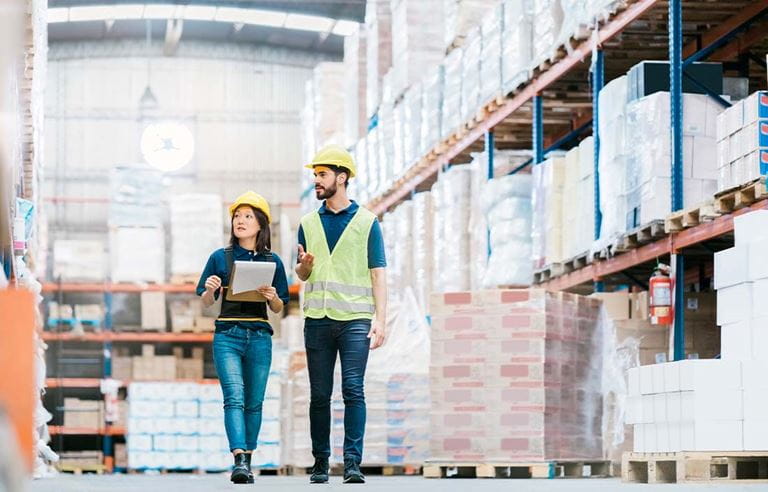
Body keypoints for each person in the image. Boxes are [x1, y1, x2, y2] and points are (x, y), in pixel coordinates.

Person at [296, 145, 388, 484]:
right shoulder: (307, 223)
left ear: (342, 177)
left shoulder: (367, 223)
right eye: (315, 175)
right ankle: (321, 461)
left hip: (355, 320)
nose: (316, 181)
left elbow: (378, 273)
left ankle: (352, 462)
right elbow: (303, 275)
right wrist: (303, 268)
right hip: (318, 320)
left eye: (322, 175)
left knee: (353, 388)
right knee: (319, 394)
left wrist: (380, 319)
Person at [197, 191, 289, 484]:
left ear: (261, 224)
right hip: (228, 336)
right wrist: (211, 289)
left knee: (254, 402)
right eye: (237, 216)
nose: (241, 220)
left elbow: (279, 307)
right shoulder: (219, 257)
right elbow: (206, 302)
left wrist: (272, 296)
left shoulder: (272, 261)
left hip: (260, 336)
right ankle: (238, 460)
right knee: (234, 398)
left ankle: (248, 459)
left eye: (248, 216)